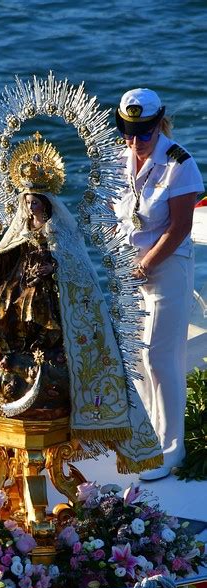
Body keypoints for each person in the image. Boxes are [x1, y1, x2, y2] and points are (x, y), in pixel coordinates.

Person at [0, 133, 163, 473]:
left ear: (47, 205)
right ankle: (13, 346)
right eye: (27, 203)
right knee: (4, 301)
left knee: (33, 304)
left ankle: (43, 347)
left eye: (36, 203)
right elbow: (5, 259)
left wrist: (52, 267)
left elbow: (75, 273)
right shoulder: (18, 233)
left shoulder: (61, 235)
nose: (31, 209)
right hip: (19, 288)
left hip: (47, 295)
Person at [113, 88, 204, 480]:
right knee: (136, 357)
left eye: (144, 133)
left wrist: (147, 263)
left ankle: (172, 449)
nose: (135, 141)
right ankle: (148, 435)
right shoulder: (121, 159)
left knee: (160, 358)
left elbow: (180, 226)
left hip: (166, 267)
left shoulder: (179, 164)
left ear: (159, 125)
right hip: (130, 269)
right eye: (128, 132)